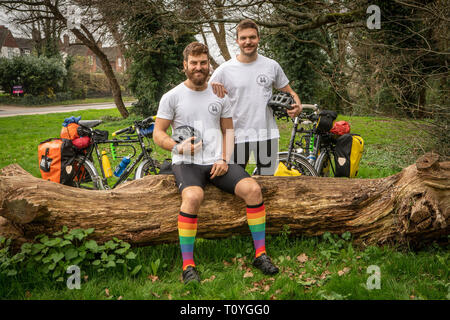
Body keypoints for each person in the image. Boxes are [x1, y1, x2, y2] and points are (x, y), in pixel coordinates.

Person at [153, 42, 279, 284]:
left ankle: (260, 254)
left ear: (208, 65)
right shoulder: (172, 97)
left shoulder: (220, 94)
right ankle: (188, 266)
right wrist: (178, 147)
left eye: (203, 63)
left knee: (253, 189)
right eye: (194, 63)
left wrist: (224, 158)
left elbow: (228, 130)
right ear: (185, 66)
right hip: (186, 162)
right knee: (192, 197)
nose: (198, 67)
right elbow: (158, 133)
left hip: (217, 163)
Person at [209, 19, 303, 175]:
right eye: (243, 38)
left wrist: (297, 106)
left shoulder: (271, 65)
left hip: (266, 135)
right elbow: (203, 93)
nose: (248, 42)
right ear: (237, 41)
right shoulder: (224, 70)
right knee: (233, 182)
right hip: (237, 136)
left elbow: (290, 92)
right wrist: (210, 86)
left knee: (268, 183)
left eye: (252, 37)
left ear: (258, 39)